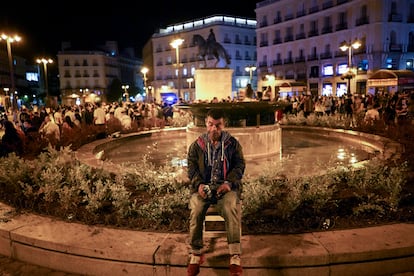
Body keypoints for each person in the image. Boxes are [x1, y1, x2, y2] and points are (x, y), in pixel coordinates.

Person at [187, 108, 245, 276]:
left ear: (223, 124)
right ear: (206, 124)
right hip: (203, 189)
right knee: (196, 209)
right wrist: (198, 185)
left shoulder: (232, 144)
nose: (214, 129)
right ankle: (196, 253)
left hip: (225, 189)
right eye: (211, 124)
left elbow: (240, 166)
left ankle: (234, 255)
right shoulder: (197, 145)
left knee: (229, 208)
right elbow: (191, 169)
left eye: (218, 125)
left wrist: (228, 183)